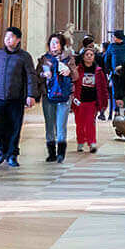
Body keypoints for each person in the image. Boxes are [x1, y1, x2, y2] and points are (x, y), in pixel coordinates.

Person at [0, 26, 36, 167]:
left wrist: (31, 95)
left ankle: (12, 154)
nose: (8, 40)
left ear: (18, 40)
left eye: (11, 37)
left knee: (14, 127)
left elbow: (31, 77)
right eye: (6, 37)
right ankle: (2, 150)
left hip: (16, 98)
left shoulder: (24, 57)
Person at [38, 33, 75, 163]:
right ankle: (51, 153)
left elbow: (76, 76)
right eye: (52, 43)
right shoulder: (44, 59)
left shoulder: (68, 59)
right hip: (48, 96)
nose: (54, 45)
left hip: (64, 96)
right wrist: (44, 74)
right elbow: (37, 76)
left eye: (57, 43)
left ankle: (61, 153)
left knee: (61, 125)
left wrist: (69, 72)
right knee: (49, 125)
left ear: (61, 45)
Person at [71, 43, 109, 153]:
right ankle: (80, 141)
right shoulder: (78, 70)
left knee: (90, 123)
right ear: (83, 57)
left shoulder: (98, 71)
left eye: (91, 55)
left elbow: (103, 87)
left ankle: (92, 142)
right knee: (80, 123)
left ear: (94, 57)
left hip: (92, 101)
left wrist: (104, 101)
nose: (89, 56)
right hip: (79, 101)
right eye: (87, 54)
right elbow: (73, 84)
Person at [102, 30, 125, 120]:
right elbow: (107, 59)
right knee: (117, 94)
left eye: (114, 37)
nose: (113, 38)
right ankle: (118, 112)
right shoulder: (112, 46)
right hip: (116, 75)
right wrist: (109, 70)